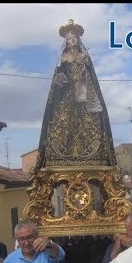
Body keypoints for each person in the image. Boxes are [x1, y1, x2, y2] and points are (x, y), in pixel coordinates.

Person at [35, 19, 116, 170]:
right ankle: (63, 152)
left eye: (74, 38)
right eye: (69, 39)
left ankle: (92, 153)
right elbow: (57, 78)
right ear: (65, 42)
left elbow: (92, 78)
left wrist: (83, 73)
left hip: (84, 93)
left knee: (90, 121)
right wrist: (62, 80)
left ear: (78, 40)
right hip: (66, 96)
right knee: (63, 121)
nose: (71, 41)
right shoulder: (63, 59)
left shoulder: (84, 57)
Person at [0, 221, 65, 263]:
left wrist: (50, 243)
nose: (27, 243)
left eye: (30, 237)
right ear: (17, 240)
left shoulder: (48, 251)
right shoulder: (9, 261)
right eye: (22, 239)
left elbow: (61, 255)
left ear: (37, 236)